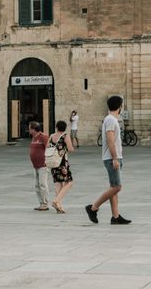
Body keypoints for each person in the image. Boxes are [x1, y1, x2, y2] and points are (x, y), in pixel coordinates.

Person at [86, 96, 132, 225]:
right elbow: (110, 140)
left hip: (113, 157)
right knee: (117, 187)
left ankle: (115, 217)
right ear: (120, 106)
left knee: (113, 187)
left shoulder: (110, 119)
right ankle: (93, 208)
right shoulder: (111, 120)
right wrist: (115, 158)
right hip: (112, 158)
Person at [49, 120, 75, 213]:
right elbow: (71, 149)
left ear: (56, 127)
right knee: (69, 182)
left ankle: (59, 206)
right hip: (62, 163)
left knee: (58, 184)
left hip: (53, 162)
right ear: (64, 128)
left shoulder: (52, 136)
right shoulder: (65, 136)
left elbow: (47, 147)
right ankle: (56, 201)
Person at [29, 121, 50, 211]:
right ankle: (41, 203)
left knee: (42, 184)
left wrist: (48, 160)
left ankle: (45, 203)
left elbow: (49, 148)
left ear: (34, 129)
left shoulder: (43, 137)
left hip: (43, 165)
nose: (29, 130)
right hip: (35, 165)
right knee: (37, 185)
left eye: (30, 128)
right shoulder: (34, 137)